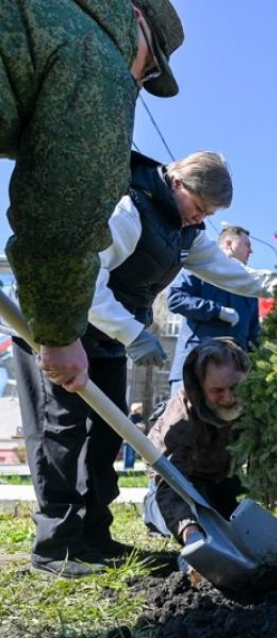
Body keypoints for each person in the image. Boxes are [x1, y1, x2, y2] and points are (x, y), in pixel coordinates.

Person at [14, 150, 277, 578]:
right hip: (61, 326)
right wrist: (133, 332)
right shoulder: (128, 209)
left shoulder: (182, 231)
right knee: (60, 433)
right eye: (199, 208)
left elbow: (227, 272)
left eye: (209, 214)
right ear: (177, 184)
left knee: (106, 435)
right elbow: (85, 277)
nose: (200, 219)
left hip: (107, 338)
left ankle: (96, 538)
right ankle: (56, 546)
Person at [2, 0, 184, 391]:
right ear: (135, 18)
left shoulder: (48, 16)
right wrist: (61, 334)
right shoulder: (98, 58)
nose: (138, 84)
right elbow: (61, 212)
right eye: (149, 68)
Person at [143, 339, 248, 551]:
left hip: (221, 474)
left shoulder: (254, 400)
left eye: (235, 387)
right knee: (195, 520)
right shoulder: (180, 421)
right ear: (200, 387)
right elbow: (170, 483)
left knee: (231, 518)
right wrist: (190, 533)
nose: (228, 398)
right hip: (181, 480)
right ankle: (152, 511)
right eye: (217, 391)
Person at [167, 225, 260, 396]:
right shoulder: (201, 268)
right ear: (228, 243)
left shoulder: (248, 285)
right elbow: (175, 298)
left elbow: (254, 336)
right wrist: (217, 311)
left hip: (232, 376)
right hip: (194, 369)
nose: (251, 251)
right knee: (183, 420)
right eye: (247, 244)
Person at [123, 402, 146, 470]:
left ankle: (131, 466)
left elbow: (142, 426)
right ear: (136, 409)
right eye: (140, 409)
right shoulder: (132, 416)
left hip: (135, 438)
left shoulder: (140, 417)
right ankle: (127, 467)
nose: (142, 410)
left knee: (132, 453)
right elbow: (131, 425)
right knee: (128, 453)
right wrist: (138, 426)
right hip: (129, 438)